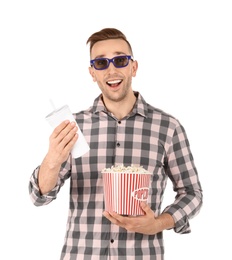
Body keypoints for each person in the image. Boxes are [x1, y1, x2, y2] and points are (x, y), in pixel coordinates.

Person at [29, 28, 203, 260]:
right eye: (101, 63)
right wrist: (52, 160)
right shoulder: (74, 127)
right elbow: (39, 196)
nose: (111, 69)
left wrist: (159, 223)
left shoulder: (167, 127)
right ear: (92, 72)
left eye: (120, 60)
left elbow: (192, 193)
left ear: (133, 67)